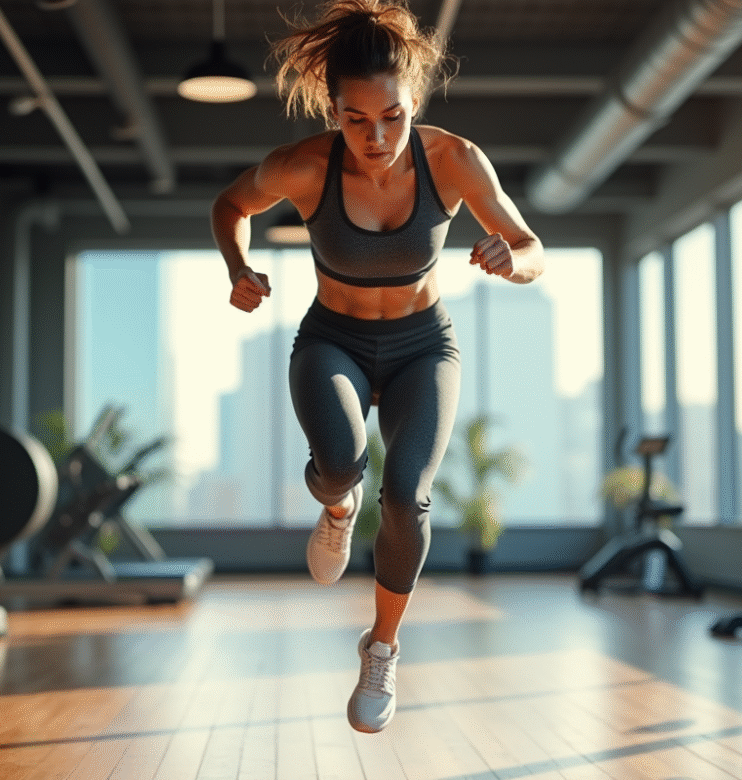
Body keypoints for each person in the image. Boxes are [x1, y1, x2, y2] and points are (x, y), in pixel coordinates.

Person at [211, 0, 543, 733]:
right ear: (334, 111)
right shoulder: (305, 167)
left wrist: (510, 258)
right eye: (356, 120)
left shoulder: (454, 158)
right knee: (339, 466)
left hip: (425, 345)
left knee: (409, 496)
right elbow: (230, 204)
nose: (377, 136)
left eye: (391, 116)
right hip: (334, 340)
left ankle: (382, 644)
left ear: (413, 102)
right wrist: (237, 266)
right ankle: (336, 508)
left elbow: (532, 247)